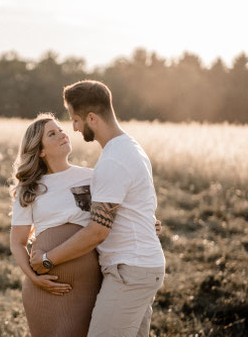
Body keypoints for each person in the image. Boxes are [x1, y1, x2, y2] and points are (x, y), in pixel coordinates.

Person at [30, 80, 166, 337]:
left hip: (130, 271)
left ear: (92, 118)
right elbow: (137, 206)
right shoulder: (130, 147)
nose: (74, 128)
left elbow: (96, 232)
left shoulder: (113, 160)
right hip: (140, 267)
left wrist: (47, 260)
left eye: (76, 119)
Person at [9, 113, 102, 337]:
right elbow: (17, 242)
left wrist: (148, 224)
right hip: (43, 291)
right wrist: (35, 279)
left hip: (86, 285)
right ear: (40, 150)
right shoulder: (29, 188)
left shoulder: (92, 177)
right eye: (52, 134)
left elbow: (113, 219)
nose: (62, 134)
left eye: (61, 129)